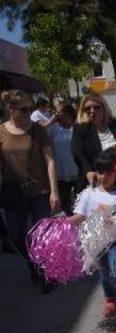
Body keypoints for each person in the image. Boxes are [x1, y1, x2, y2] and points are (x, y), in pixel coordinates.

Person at [69, 148, 116, 333]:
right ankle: (110, 299)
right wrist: (65, 222)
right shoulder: (88, 193)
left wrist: (112, 219)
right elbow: (79, 216)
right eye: (100, 172)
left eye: (109, 173)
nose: (104, 176)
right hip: (97, 243)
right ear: (95, 173)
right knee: (104, 273)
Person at [0, 90, 60, 291]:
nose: (28, 113)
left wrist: (54, 191)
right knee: (17, 236)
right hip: (12, 193)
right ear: (11, 109)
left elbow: (50, 160)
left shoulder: (37, 130)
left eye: (30, 109)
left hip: (39, 191)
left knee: (41, 235)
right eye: (24, 110)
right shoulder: (1, 131)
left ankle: (45, 273)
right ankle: (33, 263)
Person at [71, 93, 116, 189]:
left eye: (96, 107)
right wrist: (88, 171)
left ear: (104, 108)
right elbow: (78, 153)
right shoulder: (80, 129)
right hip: (97, 181)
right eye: (88, 108)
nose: (92, 111)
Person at [48, 103, 79, 215]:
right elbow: (41, 134)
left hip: (77, 169)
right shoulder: (54, 128)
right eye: (55, 112)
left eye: (58, 112)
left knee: (80, 201)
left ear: (67, 114)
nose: (56, 115)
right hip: (61, 171)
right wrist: (50, 121)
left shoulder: (77, 127)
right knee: (65, 204)